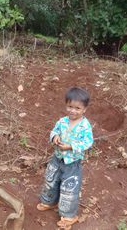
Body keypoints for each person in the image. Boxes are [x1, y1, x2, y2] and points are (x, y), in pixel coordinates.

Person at [37, 87, 94, 229]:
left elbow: (88, 142)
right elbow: (54, 130)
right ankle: (49, 201)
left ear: (84, 109)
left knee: (69, 189)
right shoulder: (62, 121)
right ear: (66, 105)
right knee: (51, 180)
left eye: (77, 108)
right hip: (57, 158)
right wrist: (55, 137)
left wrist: (70, 146)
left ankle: (69, 215)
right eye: (70, 107)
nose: (73, 111)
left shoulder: (85, 126)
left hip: (72, 164)